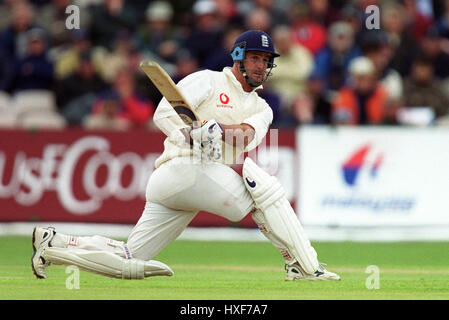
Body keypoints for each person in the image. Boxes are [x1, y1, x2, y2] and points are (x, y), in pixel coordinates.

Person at [31, 30, 340, 282]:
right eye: (254, 58)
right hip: (180, 169)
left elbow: (246, 134)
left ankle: (55, 244)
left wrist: (216, 130)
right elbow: (164, 113)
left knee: (130, 258)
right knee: (259, 194)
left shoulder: (263, 108)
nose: (260, 65)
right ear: (238, 58)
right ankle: (303, 266)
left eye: (265, 60)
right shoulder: (208, 79)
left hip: (194, 182)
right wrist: (191, 134)